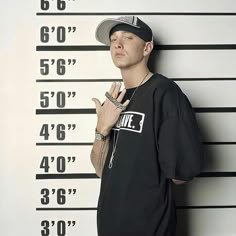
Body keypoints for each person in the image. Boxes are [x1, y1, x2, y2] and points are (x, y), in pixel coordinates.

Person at [90, 16, 203, 236]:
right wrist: (101, 129)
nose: (117, 44)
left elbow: (181, 173)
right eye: (113, 40)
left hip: (150, 227)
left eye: (128, 37)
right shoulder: (113, 102)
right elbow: (99, 169)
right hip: (109, 225)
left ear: (147, 48)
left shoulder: (165, 93)